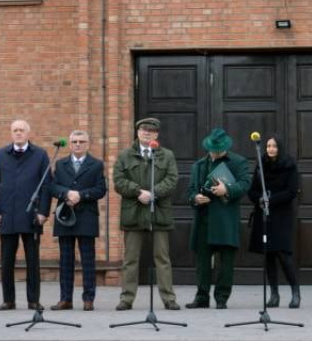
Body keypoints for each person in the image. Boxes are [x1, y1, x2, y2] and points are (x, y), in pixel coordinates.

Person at [113, 118, 181, 311]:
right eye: (143, 130)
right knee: (130, 259)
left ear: (156, 135)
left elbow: (172, 179)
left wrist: (153, 193)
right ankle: (126, 298)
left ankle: (168, 298)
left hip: (158, 212)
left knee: (162, 258)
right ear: (137, 132)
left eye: (151, 131)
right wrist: (138, 192)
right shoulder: (125, 155)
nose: (147, 133)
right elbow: (118, 180)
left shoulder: (166, 155)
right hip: (133, 213)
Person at [0, 119, 51, 311]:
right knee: (6, 261)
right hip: (6, 215)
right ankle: (9, 300)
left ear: (28, 133)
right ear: (11, 133)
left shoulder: (40, 155)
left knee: (33, 261)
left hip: (32, 215)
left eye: (22, 130)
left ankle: (33, 300)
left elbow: (47, 186)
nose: (18, 133)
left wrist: (43, 212)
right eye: (15, 130)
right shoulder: (0, 155)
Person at [186, 128, 251, 309]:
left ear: (225, 148)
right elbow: (190, 190)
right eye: (211, 150)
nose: (214, 153)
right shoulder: (198, 165)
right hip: (203, 220)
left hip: (225, 220)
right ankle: (201, 297)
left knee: (226, 263)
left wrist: (227, 190)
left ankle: (222, 298)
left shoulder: (238, 162)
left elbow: (245, 184)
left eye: (217, 150)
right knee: (202, 263)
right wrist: (195, 198)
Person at [49, 130, 107, 311]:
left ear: (88, 144)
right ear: (70, 143)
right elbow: (52, 186)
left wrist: (81, 195)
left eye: (82, 141)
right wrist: (65, 193)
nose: (78, 144)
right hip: (65, 215)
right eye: (74, 141)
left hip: (86, 216)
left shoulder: (96, 164)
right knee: (66, 260)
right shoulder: (60, 163)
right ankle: (65, 299)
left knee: (88, 260)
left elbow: (100, 189)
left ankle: (88, 298)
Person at [247, 135, 301, 308]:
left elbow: (292, 191)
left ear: (280, 148)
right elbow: (252, 191)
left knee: (284, 255)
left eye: (274, 146)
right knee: (268, 255)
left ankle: (295, 293)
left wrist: (273, 199)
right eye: (268, 146)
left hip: (281, 215)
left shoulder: (289, 166)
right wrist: (260, 199)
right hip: (264, 215)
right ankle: (274, 295)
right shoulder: (261, 165)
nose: (270, 149)